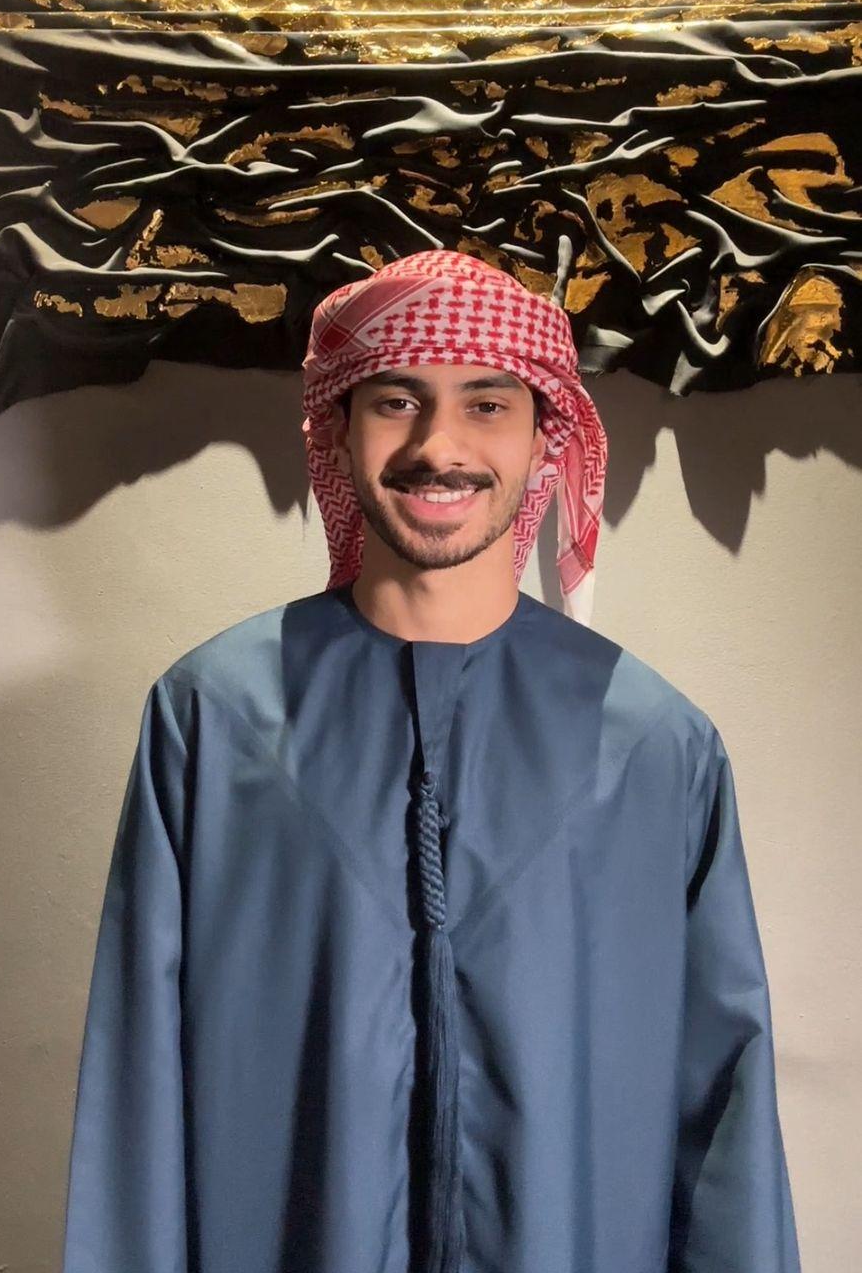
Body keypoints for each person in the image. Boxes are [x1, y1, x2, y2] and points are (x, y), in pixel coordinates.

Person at [60, 248, 802, 1273]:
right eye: (396, 401)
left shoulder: (652, 745)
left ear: (546, 434)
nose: (438, 445)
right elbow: (135, 1098)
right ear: (338, 427)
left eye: (487, 405)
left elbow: (725, 1119)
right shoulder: (215, 719)